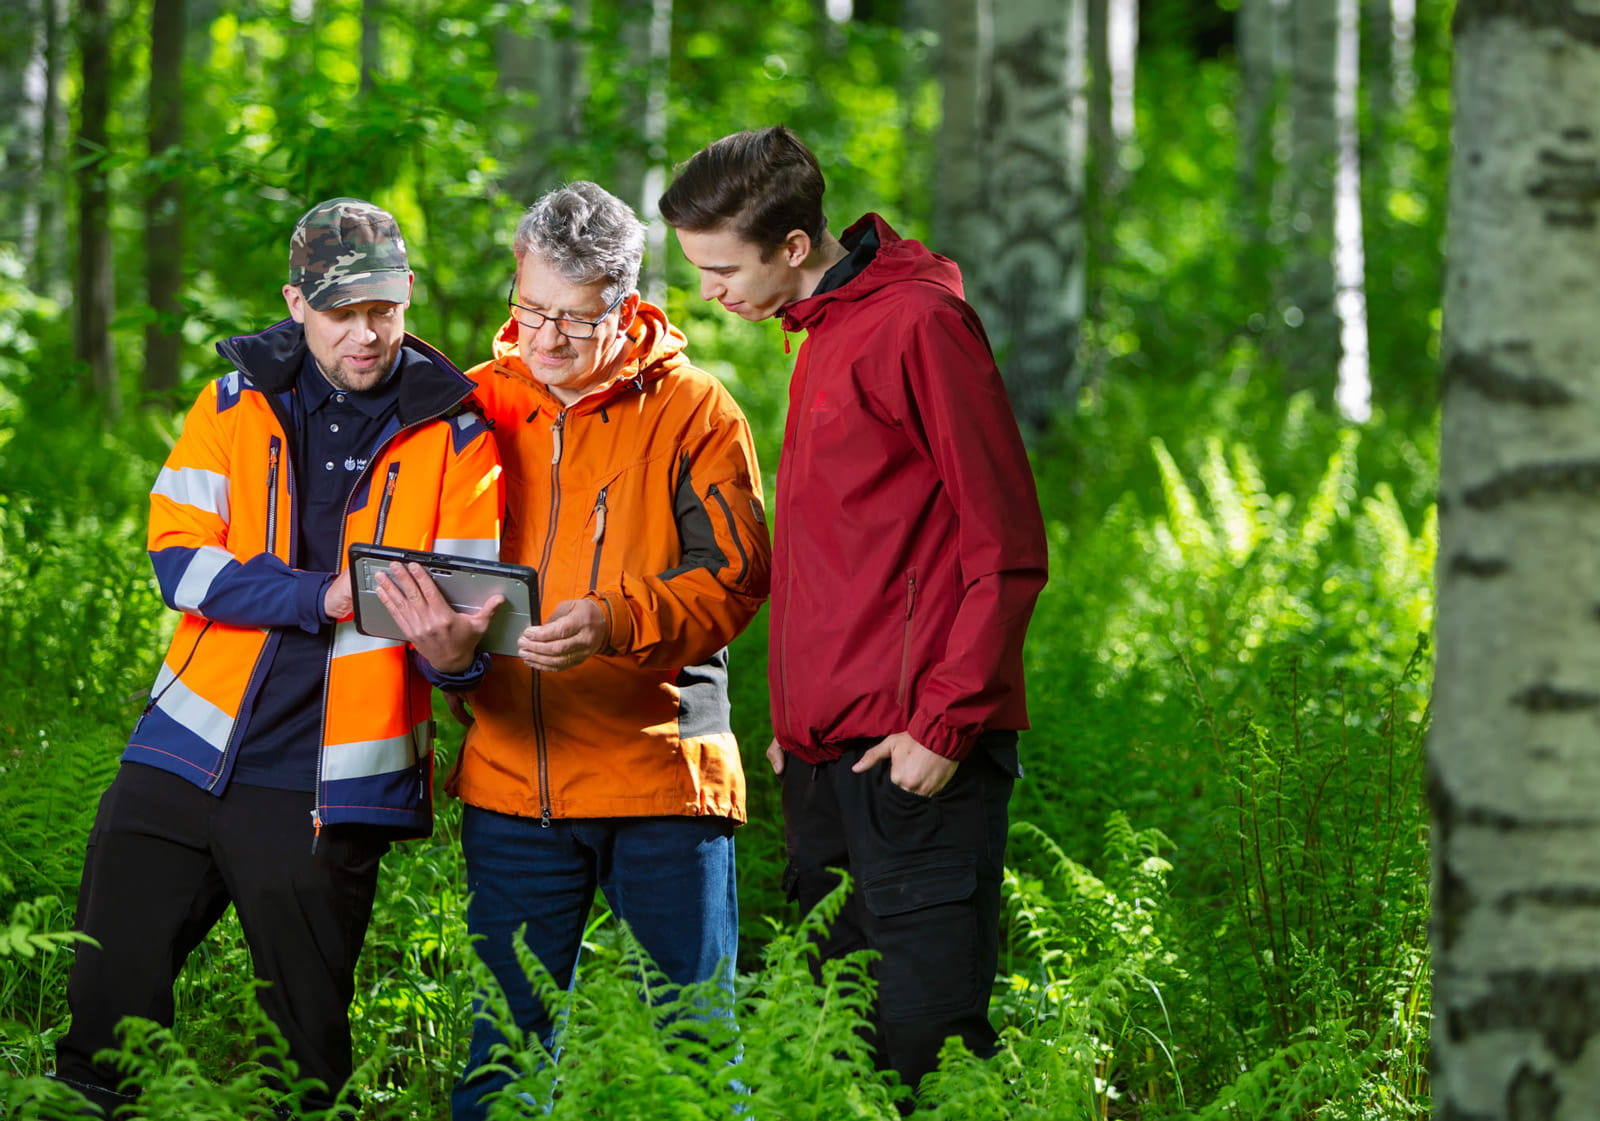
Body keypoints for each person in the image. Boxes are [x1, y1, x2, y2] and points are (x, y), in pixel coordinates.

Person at [51, 198, 507, 1117]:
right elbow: (180, 558)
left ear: (408, 294)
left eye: (384, 308)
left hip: (327, 778)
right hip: (182, 746)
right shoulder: (232, 398)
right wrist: (319, 596)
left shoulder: (460, 433)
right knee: (105, 998)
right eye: (343, 313)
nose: (368, 334)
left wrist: (457, 660)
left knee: (302, 1051)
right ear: (297, 302)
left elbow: (467, 623)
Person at [659, 127, 1049, 1102]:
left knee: (926, 1044)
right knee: (844, 1041)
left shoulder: (916, 324)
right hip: (831, 756)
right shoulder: (824, 330)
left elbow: (1003, 544)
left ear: (792, 245)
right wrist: (800, 725)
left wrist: (945, 723)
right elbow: (851, 555)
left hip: (914, 751)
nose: (708, 291)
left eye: (719, 268)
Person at [446, 181, 770, 1120]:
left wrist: (613, 620)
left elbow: (738, 578)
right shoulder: (470, 403)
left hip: (663, 779)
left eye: (574, 320)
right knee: (500, 1063)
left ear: (625, 307)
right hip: (513, 780)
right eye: (530, 309)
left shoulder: (699, 412)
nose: (544, 338)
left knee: (699, 1057)